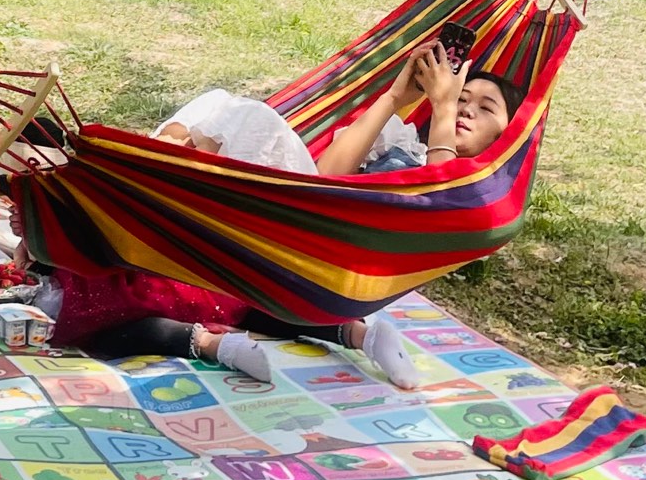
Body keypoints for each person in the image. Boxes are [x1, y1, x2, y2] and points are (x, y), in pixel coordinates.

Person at [43, 43, 518, 388]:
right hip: (297, 214)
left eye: (484, 106)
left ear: (507, 135)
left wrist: (440, 106)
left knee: (251, 118)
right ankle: (149, 181)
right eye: (462, 97)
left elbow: (433, 209)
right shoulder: (404, 141)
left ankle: (149, 178)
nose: (464, 108)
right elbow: (328, 175)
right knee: (216, 101)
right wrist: (396, 98)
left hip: (320, 243)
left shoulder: (469, 185)